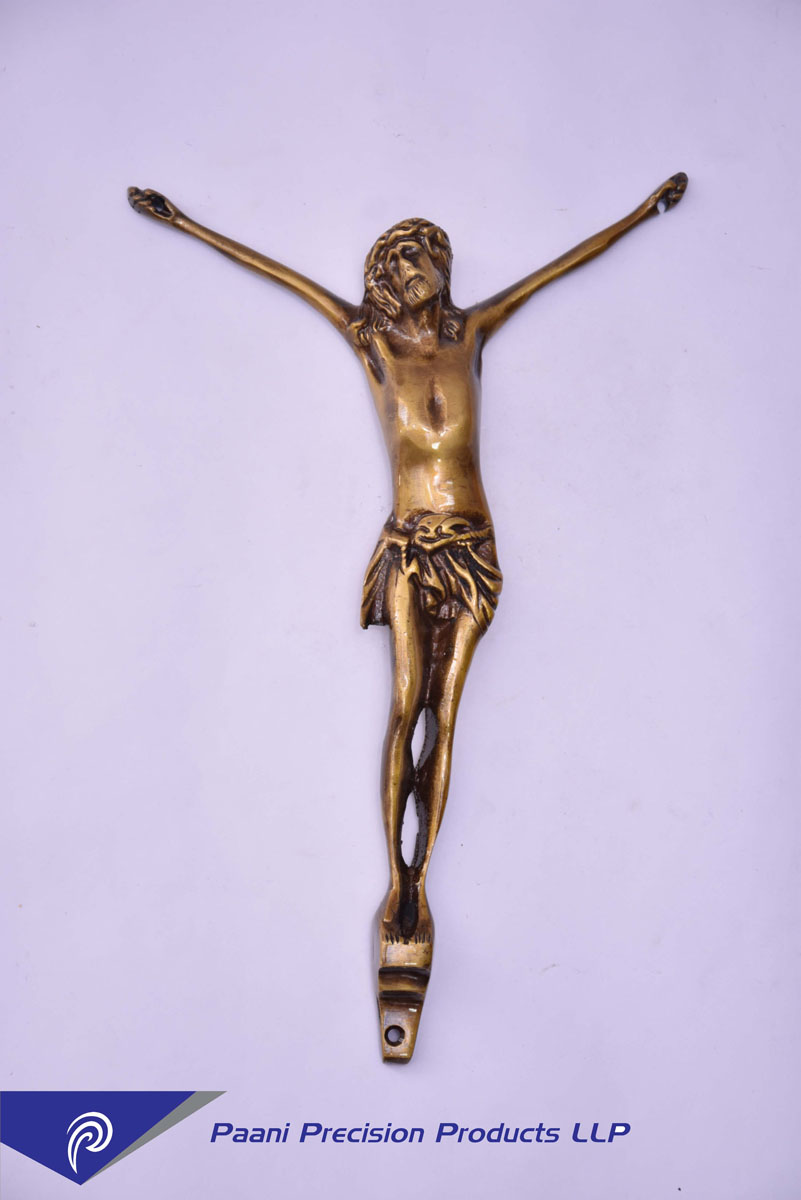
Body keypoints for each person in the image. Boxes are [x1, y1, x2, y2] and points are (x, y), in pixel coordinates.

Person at [128, 173, 688, 1059]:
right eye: (398, 260)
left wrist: (641, 212)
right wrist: (185, 222)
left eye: (423, 255)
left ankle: (420, 881)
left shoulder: (473, 331)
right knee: (403, 707)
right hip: (405, 544)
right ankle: (396, 882)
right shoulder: (370, 339)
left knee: (446, 716)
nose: (412, 268)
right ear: (384, 277)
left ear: (442, 266)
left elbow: (560, 267)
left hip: (472, 545)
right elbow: (281, 276)